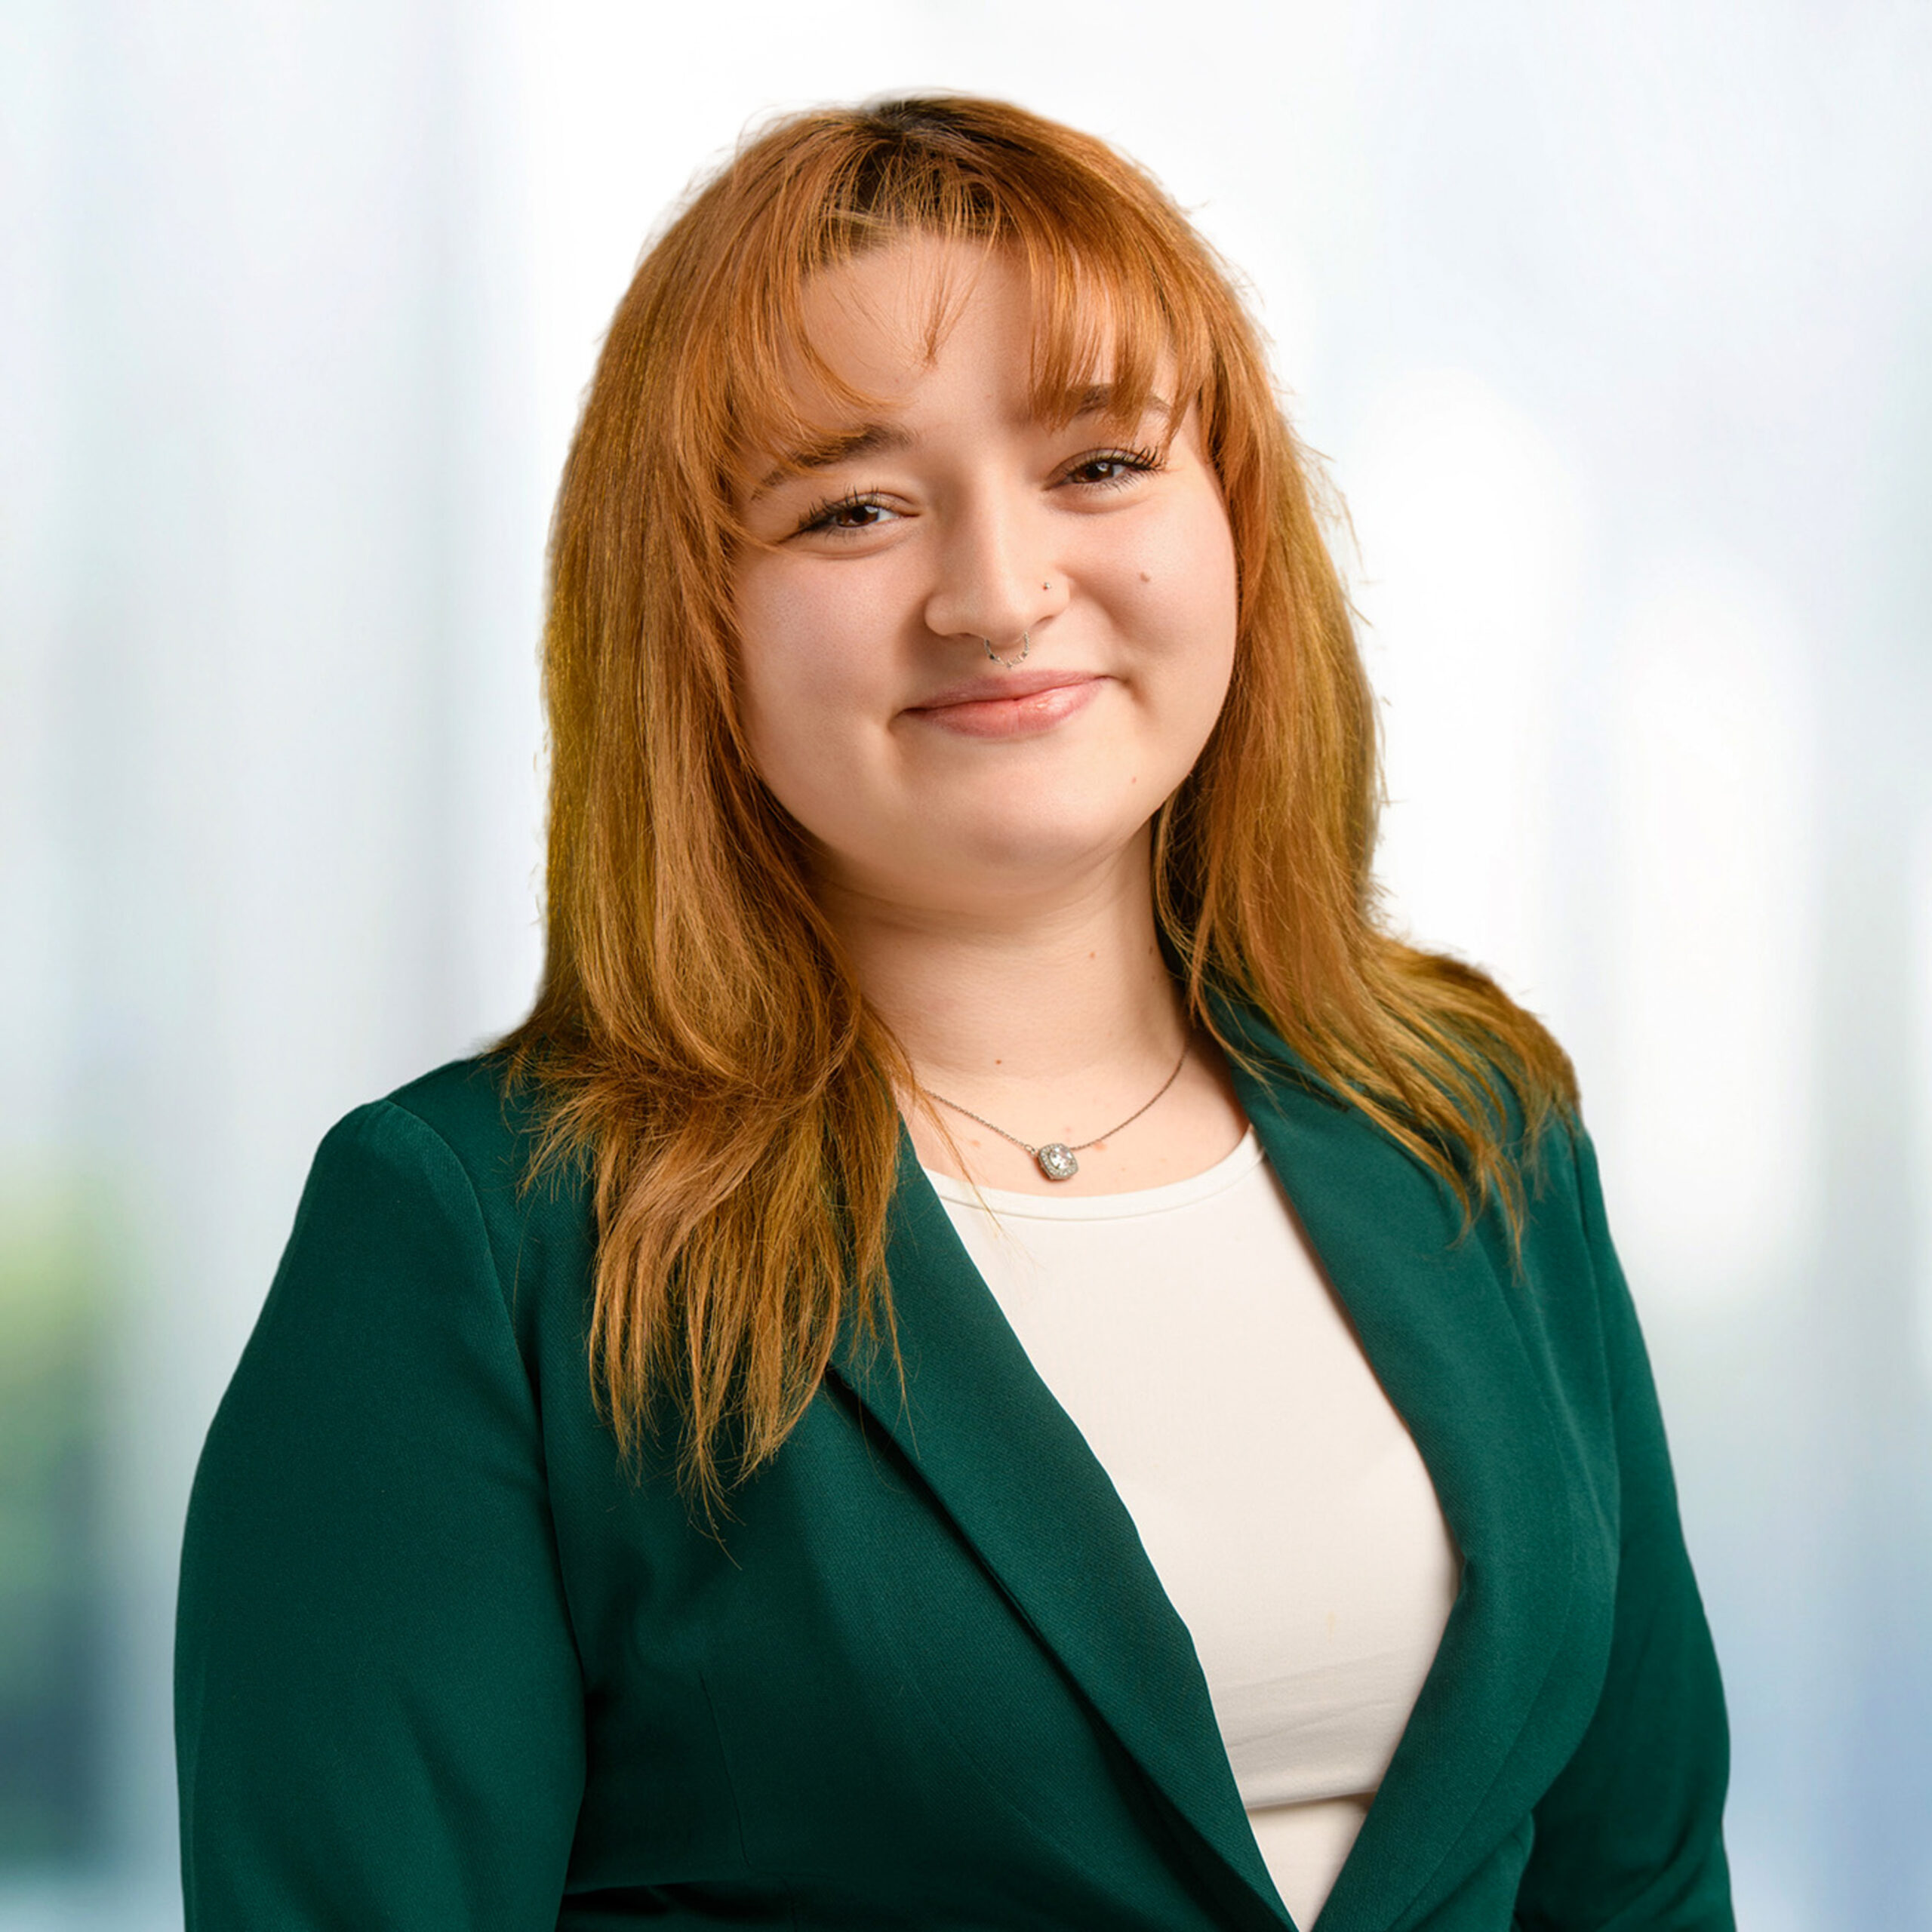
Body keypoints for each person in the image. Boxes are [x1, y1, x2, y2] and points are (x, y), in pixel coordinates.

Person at [174, 94, 1734, 1932]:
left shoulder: (1469, 1118)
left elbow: (1635, 1881)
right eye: (854, 506)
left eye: (1095, 467)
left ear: (1232, 520)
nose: (999, 595)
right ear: (692, 621)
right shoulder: (475, 1235)